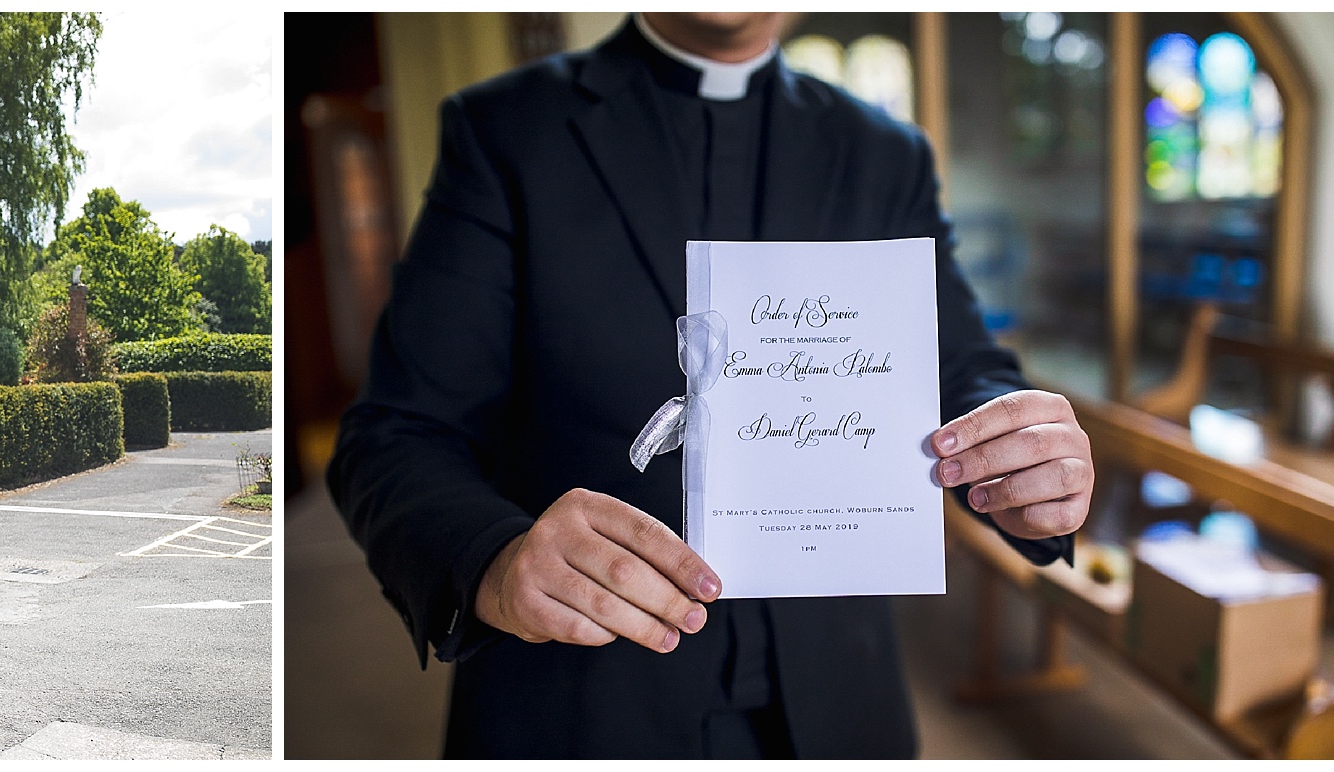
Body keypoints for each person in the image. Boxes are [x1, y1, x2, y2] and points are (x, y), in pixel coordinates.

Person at [327, 12, 1096, 759]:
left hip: (839, 701)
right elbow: (395, 436)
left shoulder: (882, 151)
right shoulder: (507, 131)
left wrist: (1025, 453)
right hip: (585, 701)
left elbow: (956, 370)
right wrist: (493, 558)